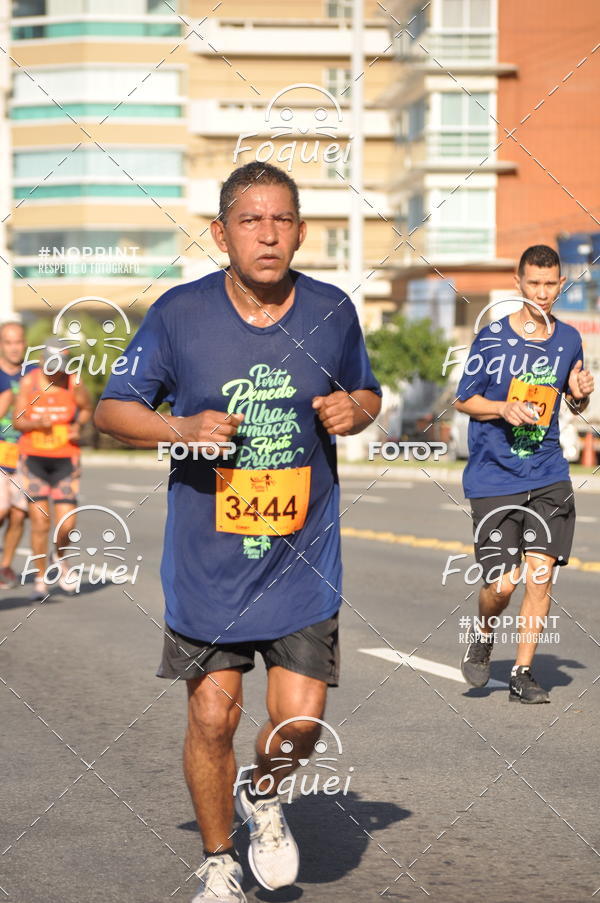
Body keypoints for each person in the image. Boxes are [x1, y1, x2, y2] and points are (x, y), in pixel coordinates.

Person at [95, 161, 381, 902]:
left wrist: (360, 408)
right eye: (251, 220)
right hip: (207, 563)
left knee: (301, 726)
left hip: (301, 557)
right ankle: (219, 859)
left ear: (301, 231)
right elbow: (112, 409)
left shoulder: (332, 309)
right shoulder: (179, 314)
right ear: (221, 233)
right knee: (214, 716)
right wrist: (181, 426)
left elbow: (366, 389)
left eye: (282, 219)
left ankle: (265, 792)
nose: (268, 233)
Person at [456, 245, 594, 704]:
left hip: (549, 471)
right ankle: (483, 633)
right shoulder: (491, 339)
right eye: (533, 283)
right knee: (503, 583)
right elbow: (464, 399)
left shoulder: (569, 339)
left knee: (540, 577)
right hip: (494, 477)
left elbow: (572, 400)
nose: (541, 292)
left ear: (560, 284)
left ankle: (521, 672)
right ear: (518, 284)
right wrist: (501, 407)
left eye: (549, 284)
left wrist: (578, 396)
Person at [13, 340, 93, 600]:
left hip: (65, 458)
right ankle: (40, 578)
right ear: (42, 361)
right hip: (34, 458)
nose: (55, 372)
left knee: (68, 522)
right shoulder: (30, 383)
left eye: (59, 367)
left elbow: (86, 409)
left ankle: (59, 557)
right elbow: (18, 420)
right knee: (40, 521)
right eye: (51, 366)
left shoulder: (73, 381)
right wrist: (37, 422)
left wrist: (78, 426)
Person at [0, 322, 32, 587]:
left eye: (18, 342)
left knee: (18, 515)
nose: (14, 347)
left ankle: (5, 566)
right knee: (0, 509)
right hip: (0, 453)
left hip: (25, 455)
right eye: (8, 342)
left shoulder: (33, 375)